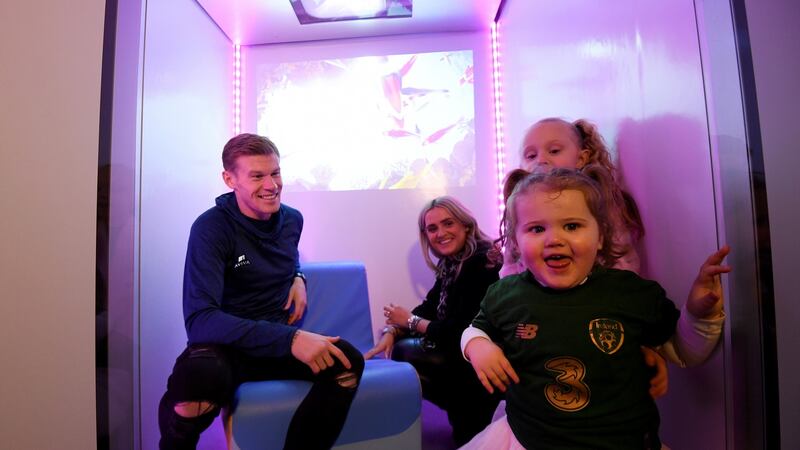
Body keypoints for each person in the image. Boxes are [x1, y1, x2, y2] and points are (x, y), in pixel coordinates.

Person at [460, 169, 731, 449]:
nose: (554, 239)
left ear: (600, 235)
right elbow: (475, 329)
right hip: (529, 439)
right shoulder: (505, 295)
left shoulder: (630, 293)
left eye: (572, 226)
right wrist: (477, 345)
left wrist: (699, 314)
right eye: (537, 229)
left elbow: (685, 351)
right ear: (516, 242)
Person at [158, 133, 365, 450]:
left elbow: (283, 254)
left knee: (347, 361)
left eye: (275, 173)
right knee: (198, 379)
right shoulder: (211, 228)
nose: (271, 185)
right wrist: (292, 339)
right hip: (227, 347)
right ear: (230, 180)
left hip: (273, 346)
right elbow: (200, 320)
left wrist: (298, 275)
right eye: (257, 176)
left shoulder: (292, 220)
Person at [364, 196, 503, 446]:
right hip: (462, 356)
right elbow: (429, 307)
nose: (440, 233)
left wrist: (410, 321)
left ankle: (475, 418)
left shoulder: (482, 261)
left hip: (484, 359)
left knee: (408, 353)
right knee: (403, 349)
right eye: (432, 228)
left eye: (448, 223)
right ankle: (466, 421)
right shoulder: (452, 262)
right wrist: (393, 330)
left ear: (466, 225)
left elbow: (461, 331)